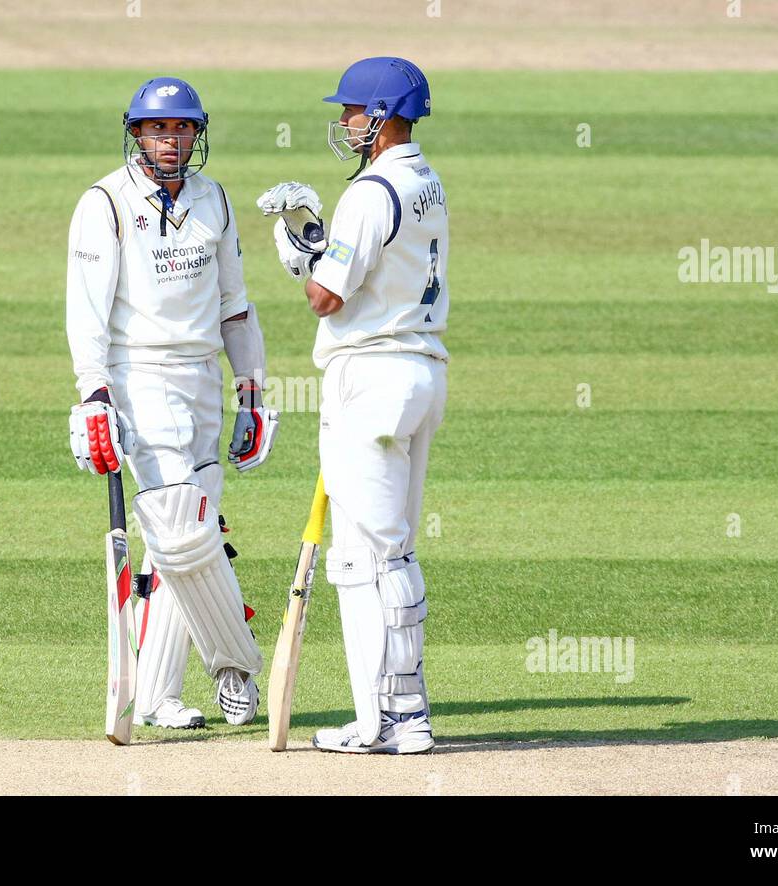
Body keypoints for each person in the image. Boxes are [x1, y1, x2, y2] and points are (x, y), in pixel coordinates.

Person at [66, 77, 279, 730]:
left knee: (174, 544)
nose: (171, 140)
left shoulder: (214, 198)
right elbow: (86, 312)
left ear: (197, 132)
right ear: (135, 133)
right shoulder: (104, 202)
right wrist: (93, 394)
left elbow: (234, 305)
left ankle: (158, 696)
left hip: (203, 380)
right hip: (139, 378)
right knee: (185, 530)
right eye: (157, 129)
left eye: (183, 128)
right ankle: (236, 664)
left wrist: (253, 391)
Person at [257, 57, 447, 754]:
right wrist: (321, 242)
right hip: (421, 372)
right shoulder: (426, 180)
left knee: (372, 556)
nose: (343, 122)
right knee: (382, 549)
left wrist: (300, 252)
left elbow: (326, 296)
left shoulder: (370, 191)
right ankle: (401, 712)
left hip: (370, 376)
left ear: (383, 115)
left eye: (352, 112)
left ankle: (394, 720)